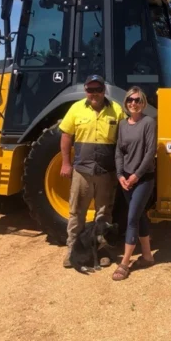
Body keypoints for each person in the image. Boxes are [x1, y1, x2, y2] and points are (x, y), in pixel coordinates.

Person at [58, 75, 125, 269]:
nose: (94, 93)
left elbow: (123, 139)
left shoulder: (117, 110)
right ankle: (72, 251)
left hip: (106, 172)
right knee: (77, 212)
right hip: (82, 171)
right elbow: (66, 136)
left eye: (98, 89)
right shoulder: (76, 108)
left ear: (104, 90)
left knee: (104, 214)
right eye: (90, 90)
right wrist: (65, 163)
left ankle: (101, 249)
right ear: (86, 90)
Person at [112, 86, 157, 281]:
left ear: (143, 103)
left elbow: (150, 152)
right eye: (130, 100)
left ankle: (125, 263)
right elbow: (119, 151)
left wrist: (136, 176)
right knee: (138, 216)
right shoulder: (122, 124)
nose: (133, 103)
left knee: (131, 219)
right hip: (126, 179)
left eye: (137, 100)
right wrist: (120, 174)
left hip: (143, 178)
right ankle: (147, 256)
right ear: (126, 103)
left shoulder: (148, 122)